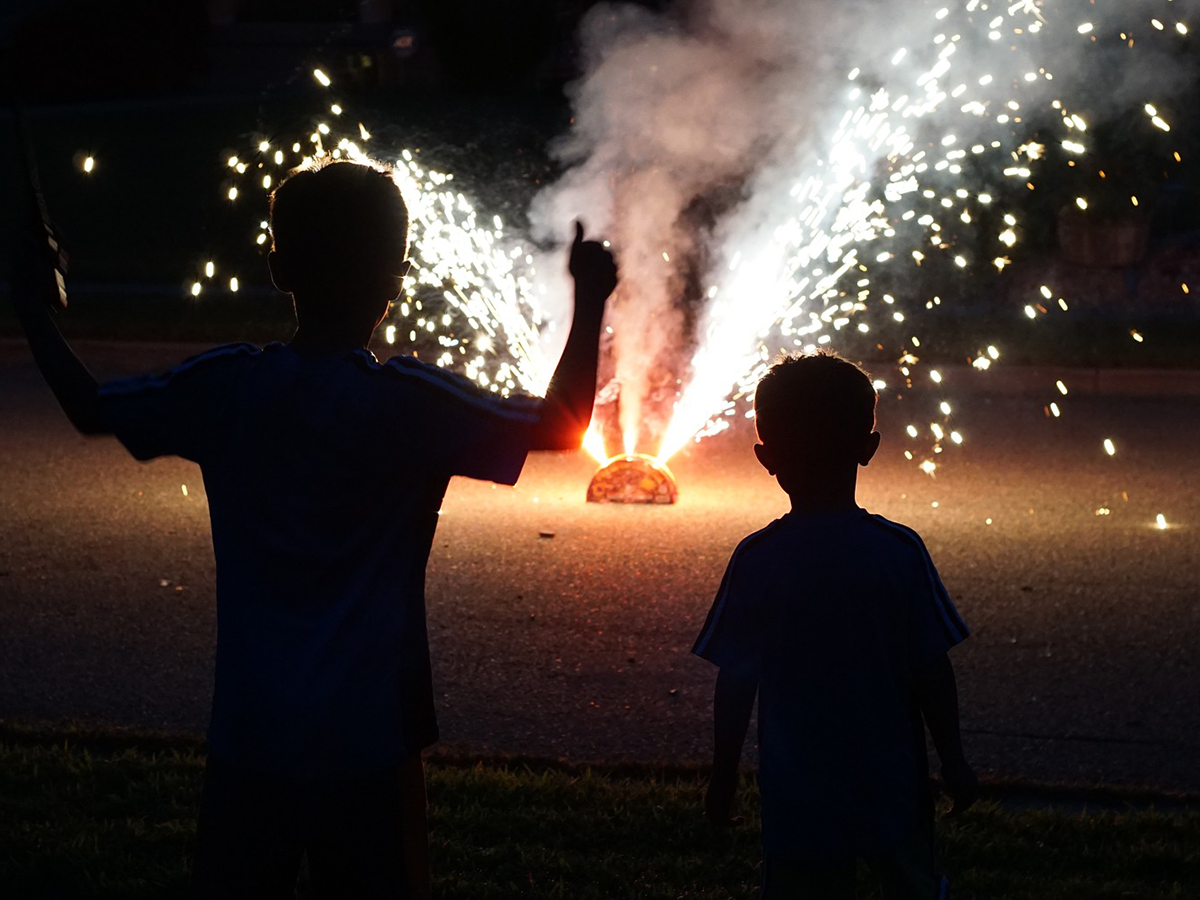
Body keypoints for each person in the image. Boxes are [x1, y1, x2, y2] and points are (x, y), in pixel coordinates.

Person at [12, 157, 617, 899]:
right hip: (370, 737)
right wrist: (590, 300)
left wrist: (31, 307)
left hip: (250, 729)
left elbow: (88, 407)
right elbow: (564, 424)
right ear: (395, 281)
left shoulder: (226, 386)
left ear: (278, 268)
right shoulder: (411, 402)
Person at [693, 351, 979, 899]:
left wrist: (723, 776)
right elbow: (930, 667)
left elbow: (735, 681)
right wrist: (956, 761)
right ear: (867, 448)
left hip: (798, 785)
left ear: (765, 457)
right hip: (893, 780)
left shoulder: (758, 559)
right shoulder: (897, 551)